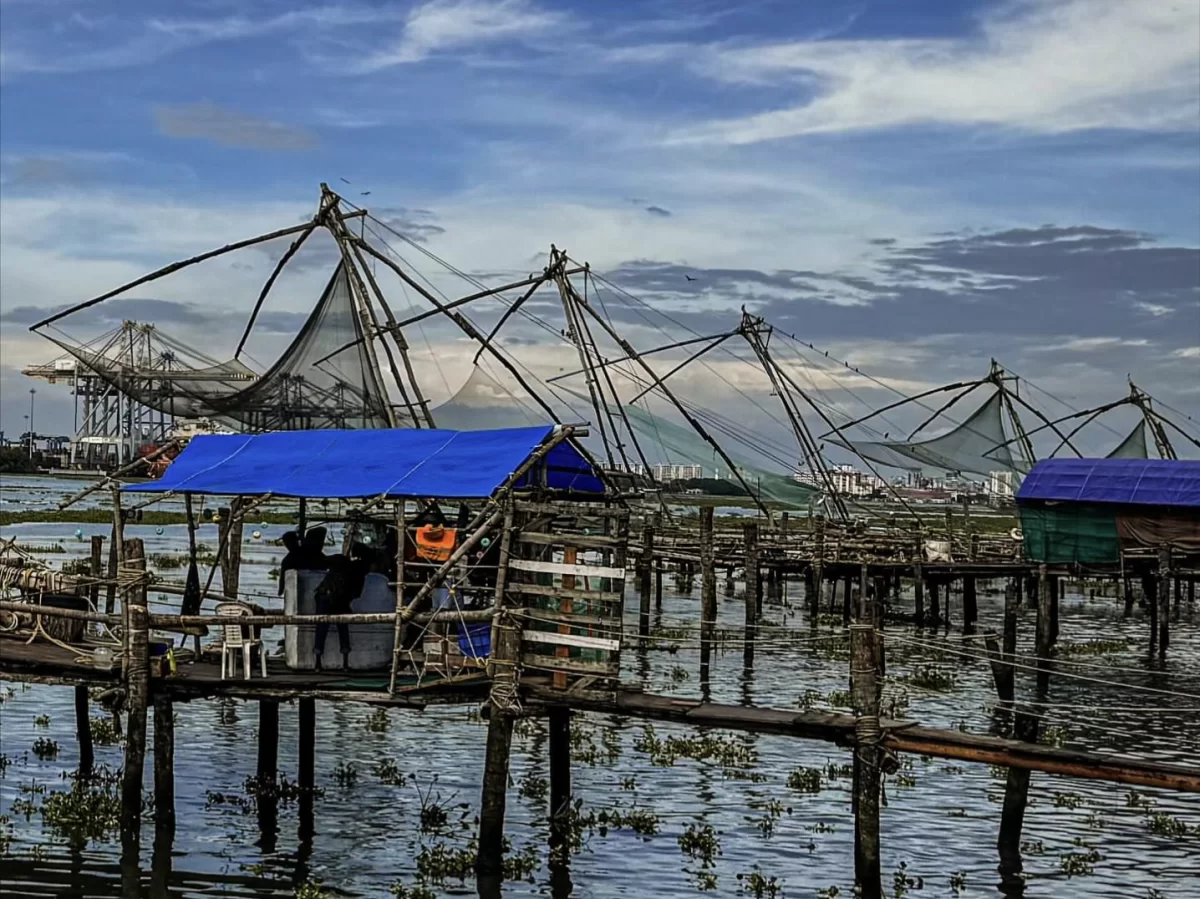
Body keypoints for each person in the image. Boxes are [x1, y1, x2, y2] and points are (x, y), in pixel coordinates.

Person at [313, 541, 371, 671]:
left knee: (321, 628)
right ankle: (344, 663)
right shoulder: (360, 571)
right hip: (338, 599)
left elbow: (319, 562)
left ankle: (318, 663)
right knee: (342, 628)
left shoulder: (340, 560)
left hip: (326, 596)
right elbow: (356, 594)